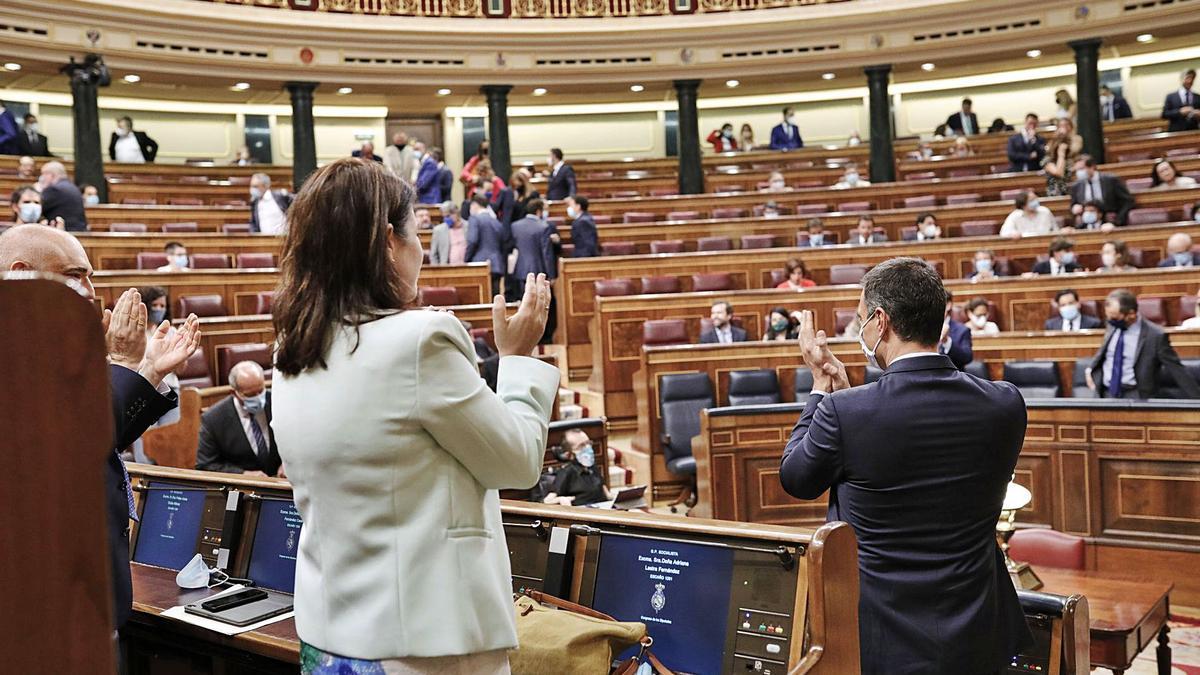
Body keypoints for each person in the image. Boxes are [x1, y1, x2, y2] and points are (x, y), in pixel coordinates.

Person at [269, 157, 558, 670]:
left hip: (330, 634)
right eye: (417, 232)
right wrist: (517, 360)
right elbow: (517, 463)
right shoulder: (421, 340)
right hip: (423, 646)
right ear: (387, 242)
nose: (422, 249)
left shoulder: (292, 352)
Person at [778, 258, 1029, 674]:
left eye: (861, 321)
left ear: (880, 322)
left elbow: (797, 478)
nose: (861, 332)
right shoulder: (1005, 402)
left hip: (883, 636)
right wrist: (845, 402)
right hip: (978, 629)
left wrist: (822, 390)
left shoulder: (846, 413)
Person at [0, 224, 201, 635]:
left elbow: (96, 438)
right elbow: (68, 442)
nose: (91, 291)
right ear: (21, 274)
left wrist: (147, 370)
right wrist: (124, 366)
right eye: (76, 275)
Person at [1086, 289, 1200, 399]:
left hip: (1135, 395)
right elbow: (1106, 351)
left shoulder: (1155, 336)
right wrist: (1091, 368)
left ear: (1131, 314)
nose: (1110, 320)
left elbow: (1177, 369)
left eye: (1114, 317)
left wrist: (1197, 400)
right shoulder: (1113, 325)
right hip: (1106, 393)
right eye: (1108, 317)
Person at [195, 361, 283, 477]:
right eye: (250, 395)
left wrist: (288, 464)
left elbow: (296, 440)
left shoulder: (278, 402)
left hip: (282, 483)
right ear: (234, 393)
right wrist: (242, 474)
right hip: (242, 489)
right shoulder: (213, 419)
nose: (258, 398)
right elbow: (205, 465)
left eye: (261, 390)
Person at [541, 430, 609, 507]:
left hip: (603, 509)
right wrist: (560, 500)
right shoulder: (566, 472)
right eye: (581, 445)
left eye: (588, 443)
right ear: (569, 454)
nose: (588, 448)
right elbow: (546, 501)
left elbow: (606, 493)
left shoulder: (593, 467)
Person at [508, 198, 557, 299]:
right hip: (538, 270)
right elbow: (546, 253)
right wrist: (552, 275)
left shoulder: (515, 226)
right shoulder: (544, 227)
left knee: (524, 301)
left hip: (520, 269)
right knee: (538, 303)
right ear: (539, 211)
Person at [1069, 155, 1135, 226]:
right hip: (1086, 225)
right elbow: (1073, 205)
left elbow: (1128, 201)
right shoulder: (1076, 186)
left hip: (1111, 223)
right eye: (1077, 170)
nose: (1078, 172)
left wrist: (1117, 221)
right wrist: (1074, 208)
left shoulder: (1111, 180)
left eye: (1081, 169)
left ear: (1092, 167)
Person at [466, 194, 511, 297]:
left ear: (474, 205)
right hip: (497, 264)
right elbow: (503, 244)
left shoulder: (475, 219)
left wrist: (467, 259)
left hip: (480, 263)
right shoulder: (497, 222)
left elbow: (472, 241)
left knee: (481, 298)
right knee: (494, 296)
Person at [38, 161, 87, 232]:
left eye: (43, 174)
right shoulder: (73, 187)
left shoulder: (54, 189)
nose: (42, 178)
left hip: (64, 232)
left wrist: (38, 190)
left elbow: (38, 208)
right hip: (79, 231)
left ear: (51, 175)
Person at [1042, 117, 1083, 196]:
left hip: (1071, 192)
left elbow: (1074, 150)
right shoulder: (1047, 161)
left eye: (1066, 125)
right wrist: (1061, 155)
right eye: (1061, 125)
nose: (1063, 128)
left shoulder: (1076, 139)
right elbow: (1059, 173)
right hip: (1055, 193)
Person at [940, 289, 973, 370]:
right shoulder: (921, 328)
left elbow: (967, 357)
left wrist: (946, 341)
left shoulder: (962, 330)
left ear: (948, 305)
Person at [429, 201, 468, 266]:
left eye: (448, 216)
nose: (446, 219)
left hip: (468, 268)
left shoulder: (469, 226)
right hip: (447, 269)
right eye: (444, 217)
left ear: (456, 213)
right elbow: (433, 255)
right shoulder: (438, 230)